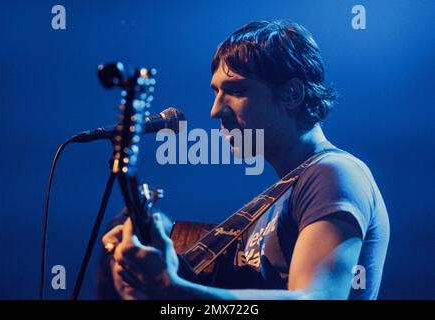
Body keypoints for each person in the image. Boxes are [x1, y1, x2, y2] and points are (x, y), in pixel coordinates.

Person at [101, 20, 389, 300]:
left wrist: (171, 289)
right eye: (216, 92)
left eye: (236, 91)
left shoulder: (334, 173)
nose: (215, 111)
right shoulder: (275, 203)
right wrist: (165, 237)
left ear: (292, 94)